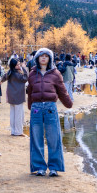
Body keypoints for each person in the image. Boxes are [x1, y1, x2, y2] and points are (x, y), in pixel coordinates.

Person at [25, 48, 73, 176]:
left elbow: (62, 91)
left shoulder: (56, 73)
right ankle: (39, 167)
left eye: (46, 56)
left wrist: (68, 103)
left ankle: (54, 167)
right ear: (37, 58)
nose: (44, 58)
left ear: (50, 58)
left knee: (54, 137)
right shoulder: (32, 73)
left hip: (50, 107)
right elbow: (30, 91)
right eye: (41, 56)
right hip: (36, 108)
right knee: (36, 137)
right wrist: (30, 106)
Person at [2, 58, 29, 136]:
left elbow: (3, 77)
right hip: (18, 96)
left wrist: (0, 81)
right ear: (14, 66)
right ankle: (18, 131)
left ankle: (13, 131)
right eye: (17, 64)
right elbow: (25, 78)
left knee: (13, 114)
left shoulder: (10, 72)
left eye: (19, 63)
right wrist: (23, 68)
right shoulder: (16, 74)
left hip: (12, 95)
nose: (19, 65)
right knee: (19, 114)